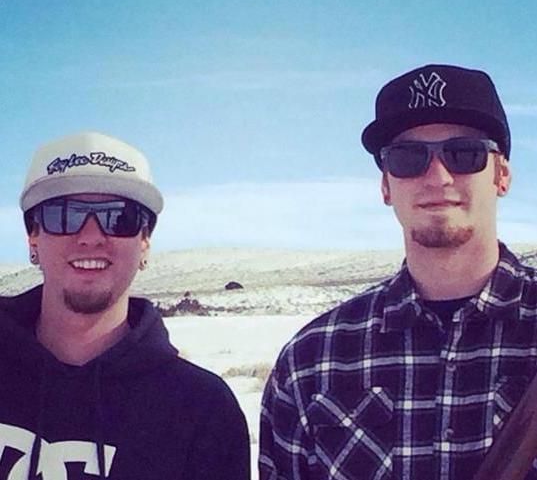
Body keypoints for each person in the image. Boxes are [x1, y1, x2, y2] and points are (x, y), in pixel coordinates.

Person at [259, 64, 537, 480]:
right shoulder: (311, 361)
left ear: (502, 175)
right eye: (408, 158)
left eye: (465, 153)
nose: (438, 176)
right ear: (387, 186)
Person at [0, 132, 250, 480]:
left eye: (119, 218)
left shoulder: (203, 411)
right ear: (33, 238)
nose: (90, 237)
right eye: (64, 215)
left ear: (145, 242)